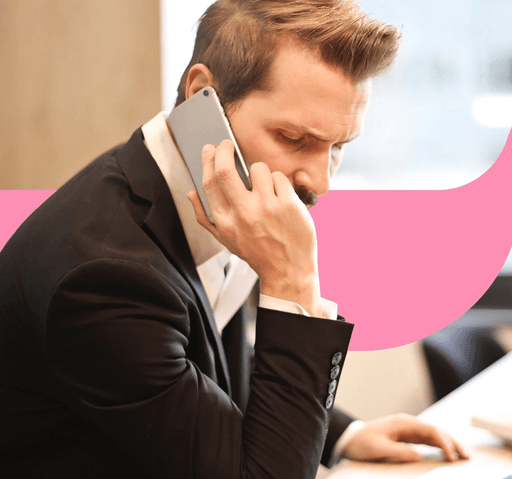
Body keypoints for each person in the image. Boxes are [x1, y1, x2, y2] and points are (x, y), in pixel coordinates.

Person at [0, 1, 468, 477]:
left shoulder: (204, 190)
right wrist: (292, 282)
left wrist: (339, 434)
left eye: (339, 147)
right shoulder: (104, 279)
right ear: (205, 96)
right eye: (293, 136)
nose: (321, 181)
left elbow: (202, 363)